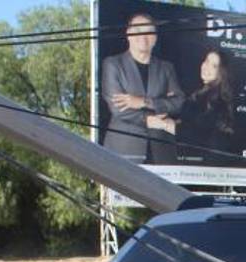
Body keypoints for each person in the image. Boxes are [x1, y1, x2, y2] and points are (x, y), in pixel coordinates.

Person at [100, 13, 184, 164]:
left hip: (161, 153)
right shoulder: (113, 64)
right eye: (138, 30)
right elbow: (118, 109)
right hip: (124, 150)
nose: (144, 35)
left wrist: (144, 102)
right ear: (128, 34)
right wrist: (151, 119)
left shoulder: (166, 68)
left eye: (149, 31)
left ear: (155, 38)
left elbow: (178, 102)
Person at [147, 49, 236, 161]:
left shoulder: (217, 100)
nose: (206, 67)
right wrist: (168, 120)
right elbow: (191, 123)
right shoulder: (201, 92)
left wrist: (164, 125)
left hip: (204, 165)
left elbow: (198, 136)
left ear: (221, 72)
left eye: (214, 66)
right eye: (206, 61)